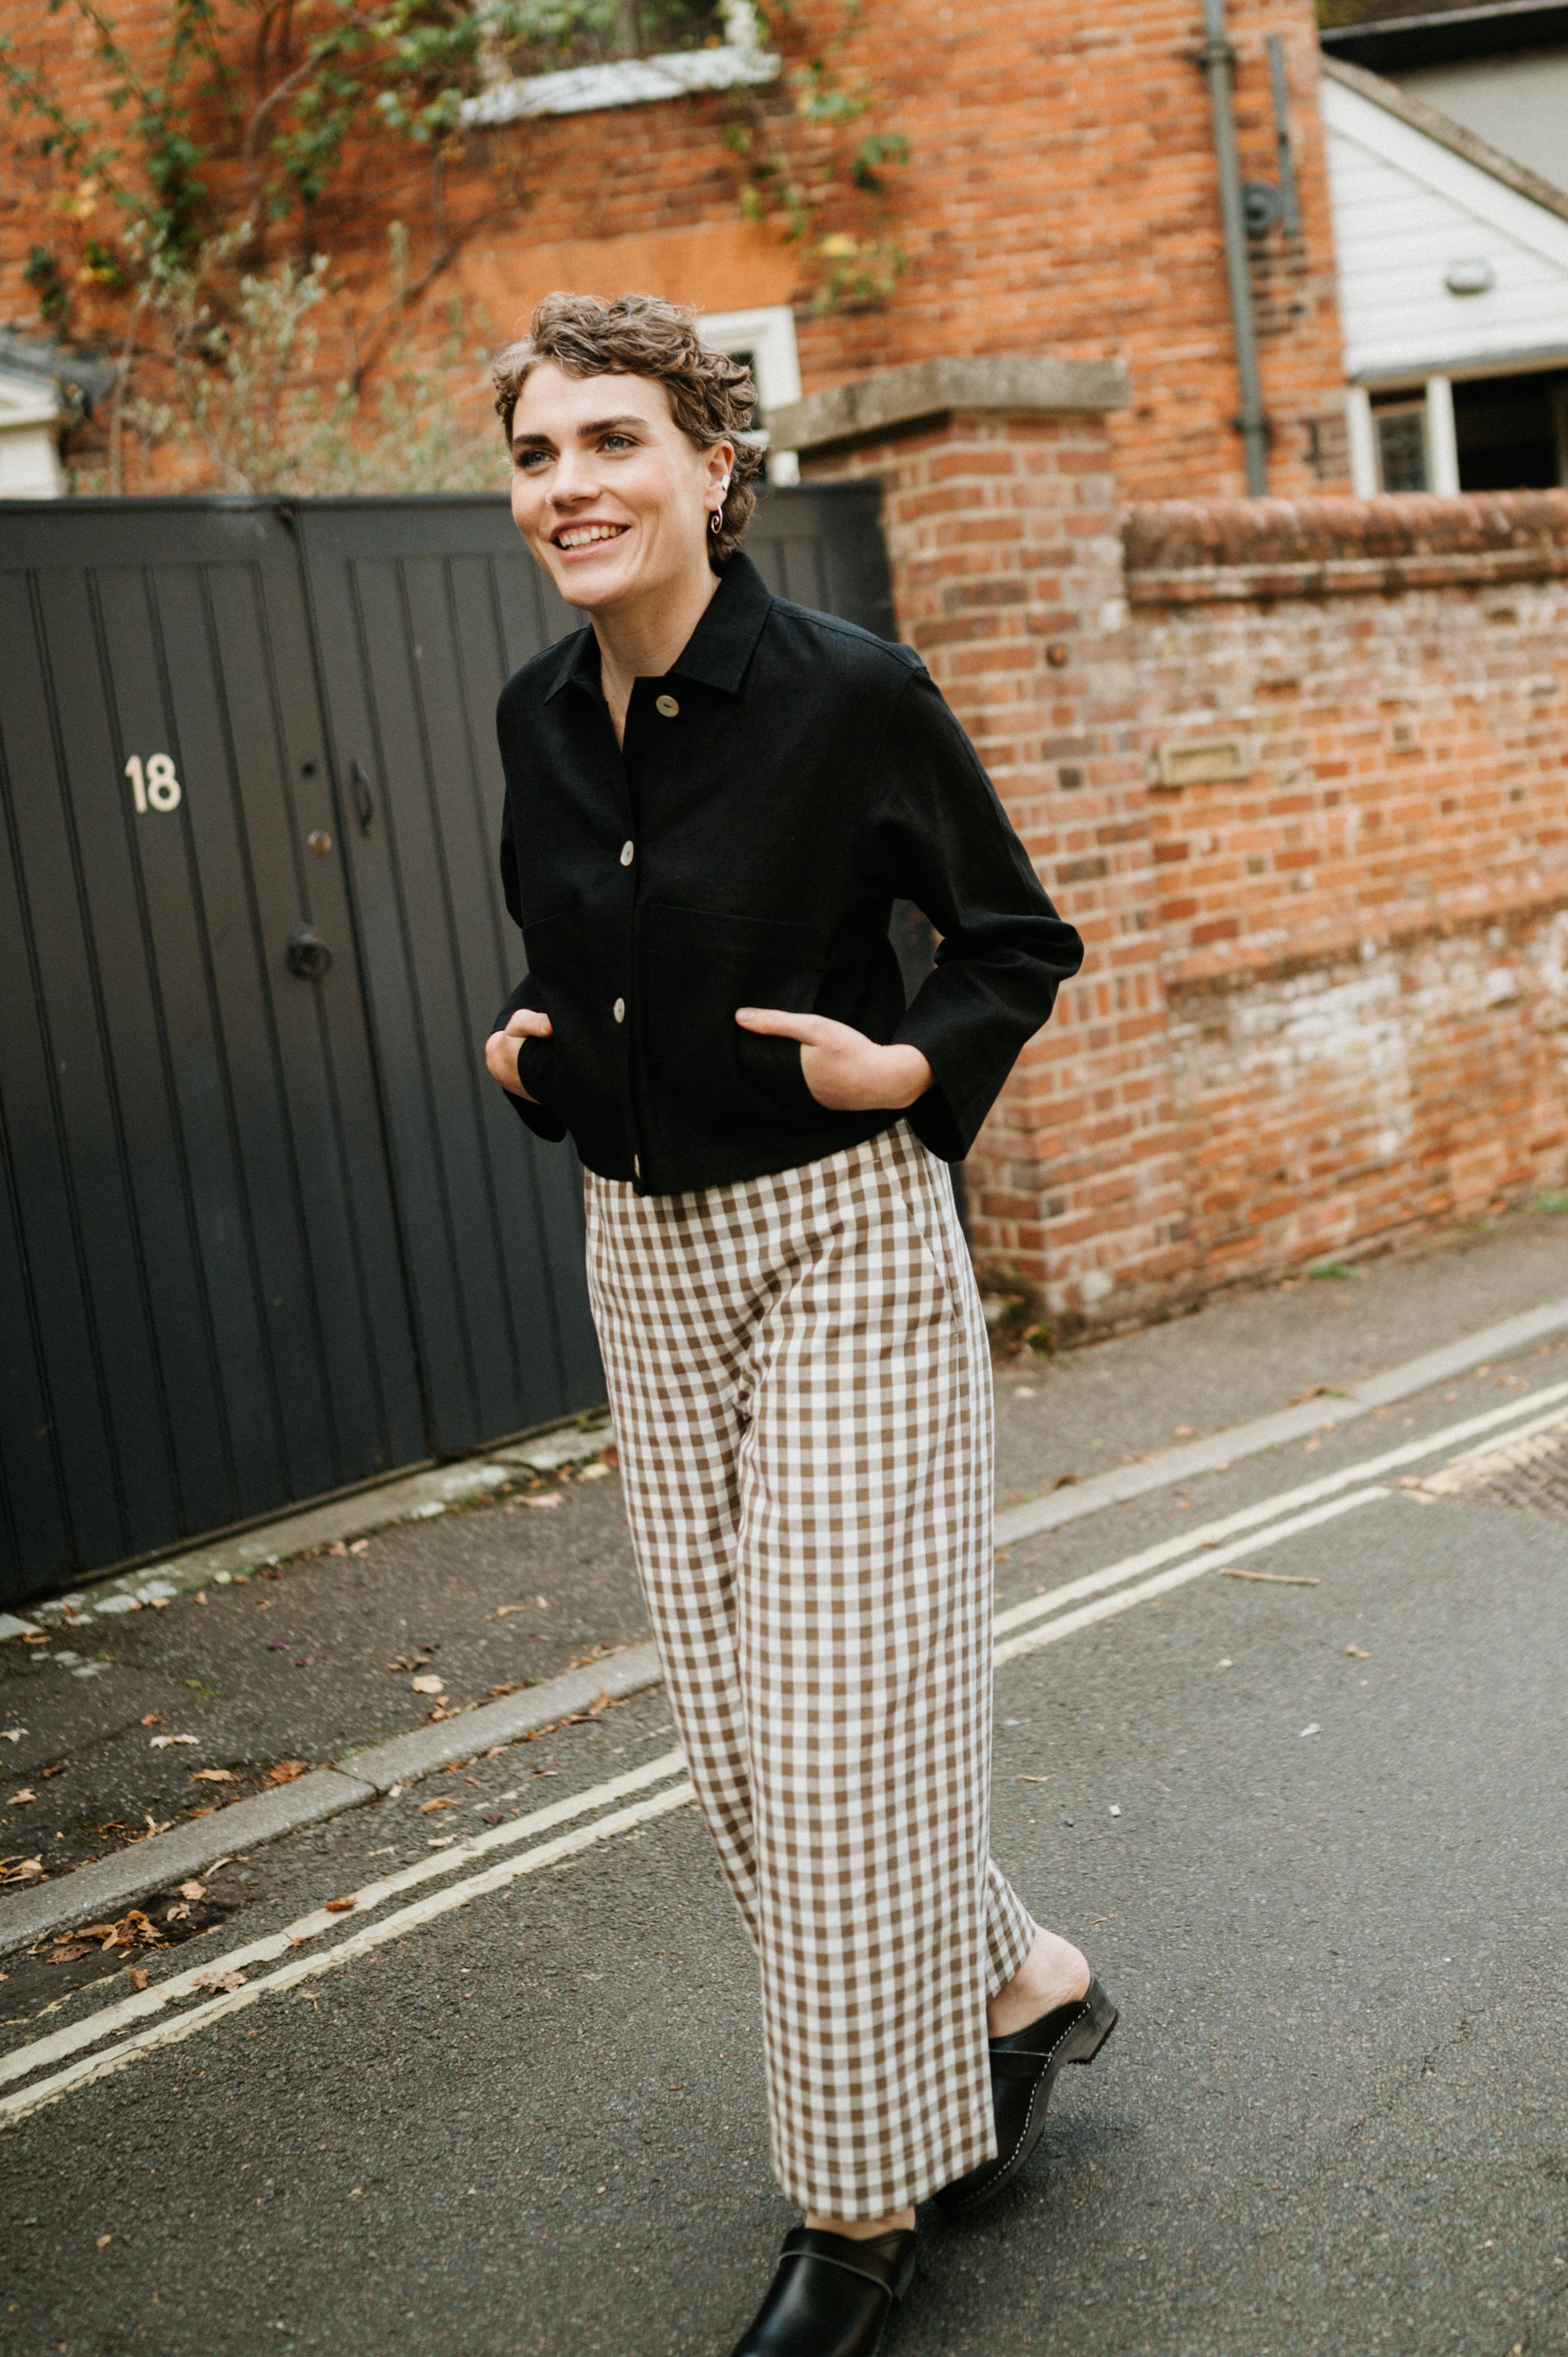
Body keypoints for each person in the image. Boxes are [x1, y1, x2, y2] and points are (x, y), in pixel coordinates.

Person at [483, 291, 1117, 2357]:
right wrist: (542, 1055)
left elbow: (1014, 937)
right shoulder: (538, 723)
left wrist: (906, 1069)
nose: (568, 483)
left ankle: (853, 2207)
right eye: (537, 452)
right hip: (643, 1261)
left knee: (843, 1738)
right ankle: (1018, 1973)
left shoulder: (851, 692)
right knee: (750, 1746)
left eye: (610, 441)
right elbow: (586, 961)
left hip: (843, 1241)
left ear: (712, 467)